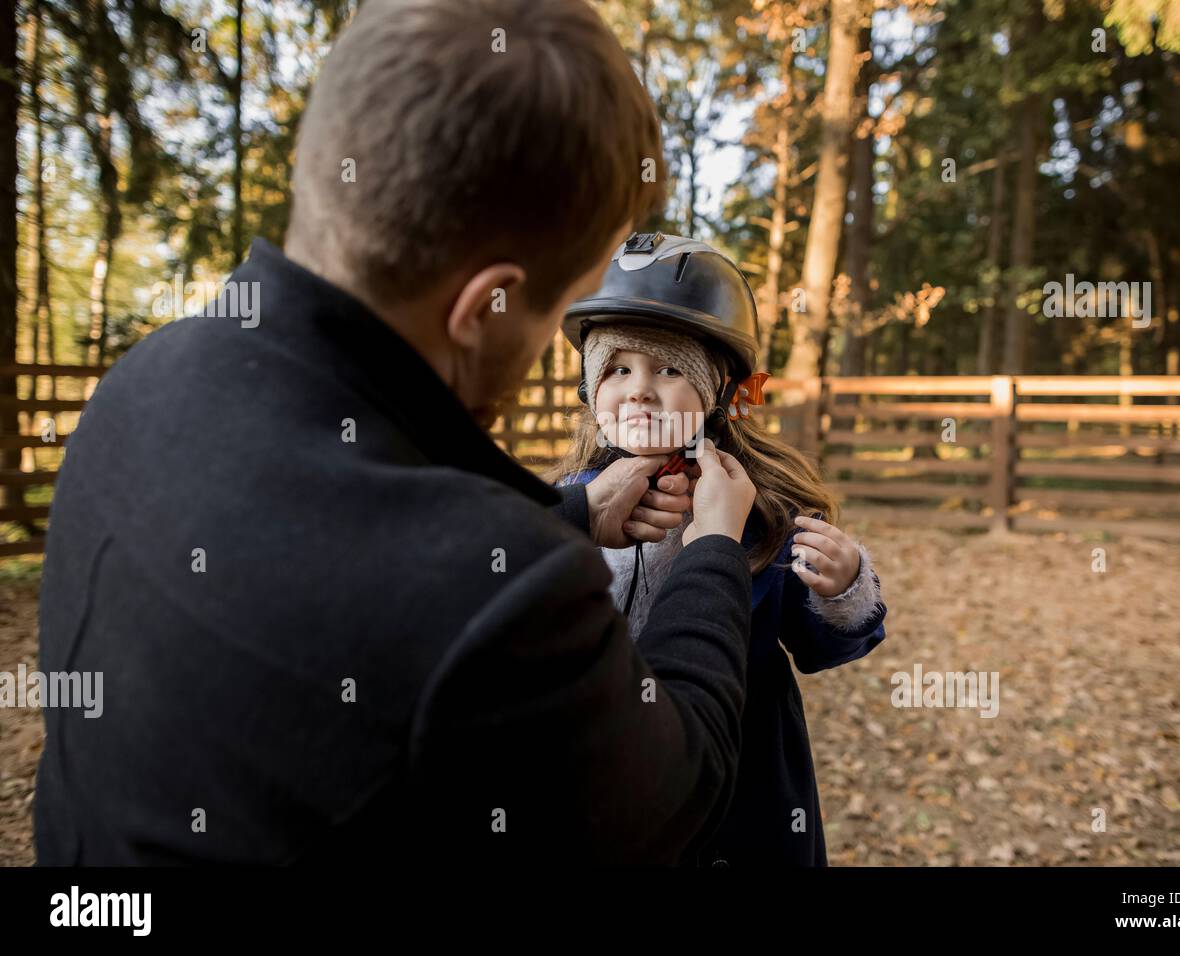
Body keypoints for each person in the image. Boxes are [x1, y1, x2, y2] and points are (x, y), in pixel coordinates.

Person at [34, 0, 759, 865]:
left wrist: (573, 515)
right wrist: (715, 548)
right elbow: (679, 795)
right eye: (553, 314)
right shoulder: (501, 601)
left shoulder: (142, 383)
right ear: (478, 308)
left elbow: (323, 563)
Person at [552, 234, 888, 865]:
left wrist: (842, 588)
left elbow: (818, 647)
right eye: (618, 369)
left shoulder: (757, 509)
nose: (639, 390)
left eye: (669, 369)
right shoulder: (567, 503)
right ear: (589, 391)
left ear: (721, 393)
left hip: (746, 789)